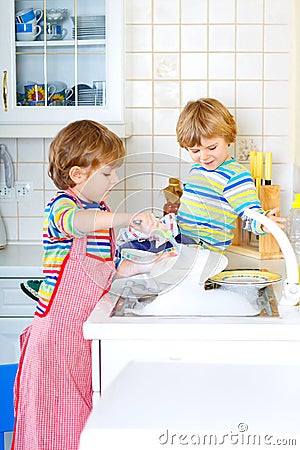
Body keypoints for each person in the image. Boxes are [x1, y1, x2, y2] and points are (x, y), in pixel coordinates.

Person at [12, 120, 162, 450]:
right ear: (78, 174)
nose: (116, 179)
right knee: (52, 423)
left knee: (84, 420)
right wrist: (126, 218)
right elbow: (76, 225)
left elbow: (105, 270)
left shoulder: (101, 209)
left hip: (85, 333)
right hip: (56, 338)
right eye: (108, 173)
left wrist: (147, 265)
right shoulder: (63, 207)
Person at [176, 98, 286, 252]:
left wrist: (263, 222)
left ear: (228, 138)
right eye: (195, 151)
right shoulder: (197, 168)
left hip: (203, 249)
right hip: (182, 240)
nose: (204, 156)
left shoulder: (235, 176)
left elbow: (249, 211)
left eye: (212, 147)